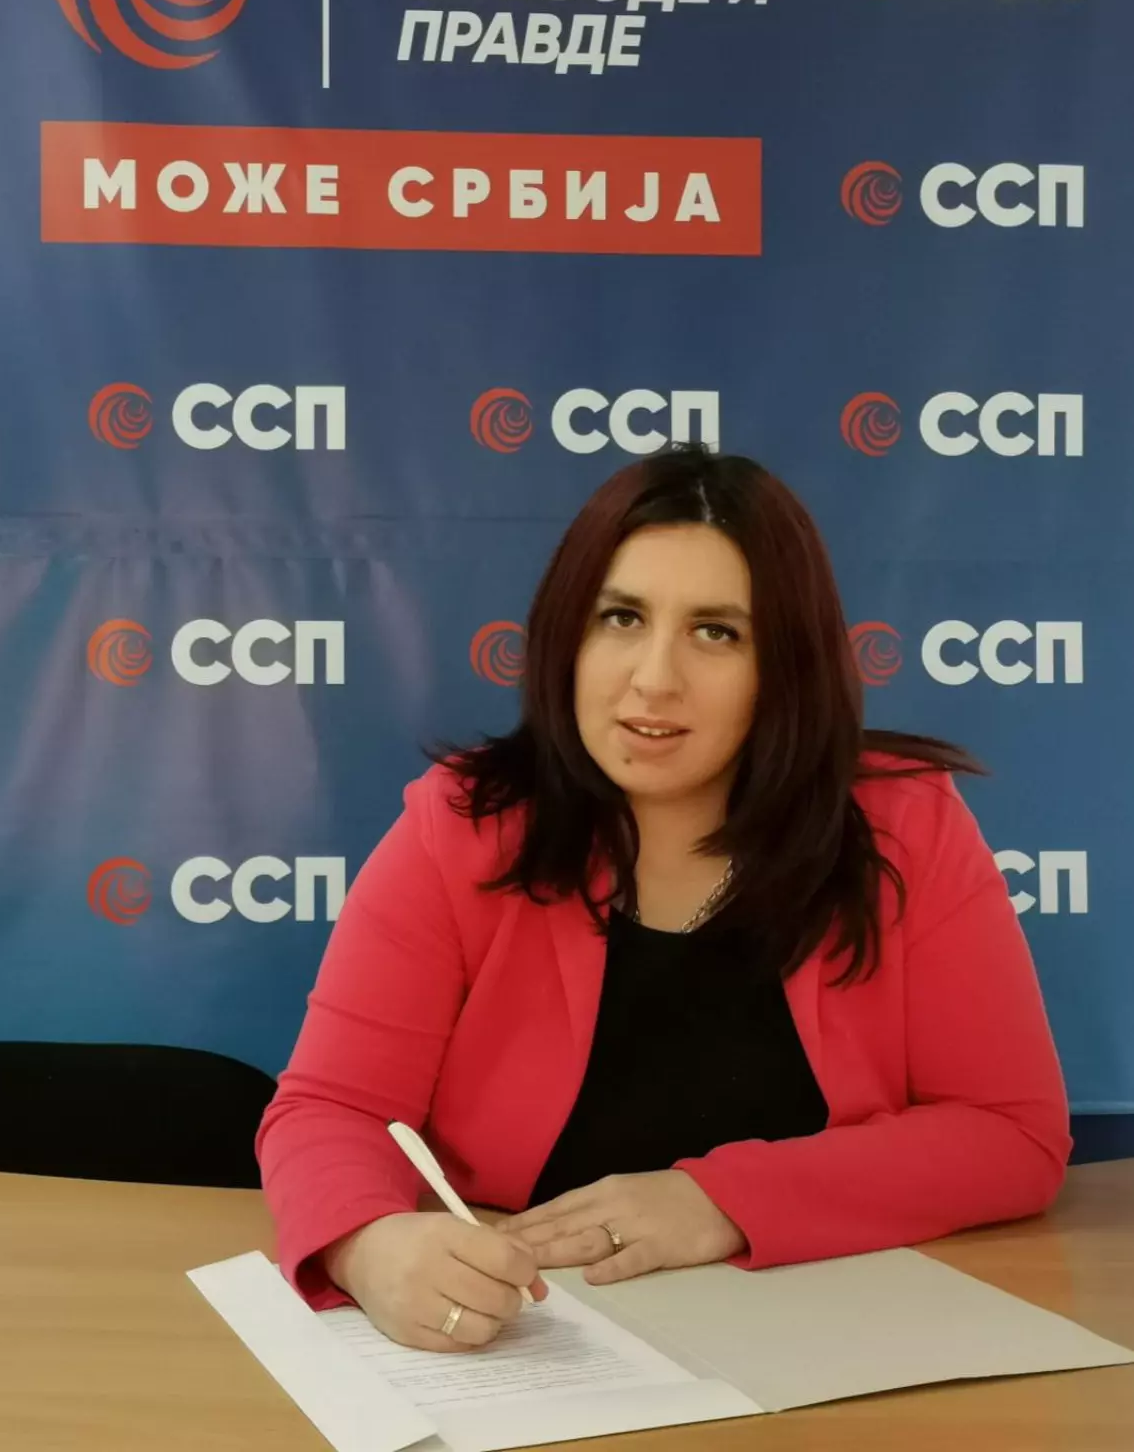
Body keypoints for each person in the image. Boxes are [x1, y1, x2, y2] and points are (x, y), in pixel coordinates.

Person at [256, 445, 1071, 1354]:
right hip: (538, 1350)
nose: (654, 678)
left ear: (784, 664)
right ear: (568, 634)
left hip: (826, 1346)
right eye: (622, 618)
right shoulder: (464, 826)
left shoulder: (903, 824)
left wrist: (717, 1201)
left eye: (716, 632)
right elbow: (331, 1109)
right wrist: (367, 1245)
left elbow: (1012, 1134)